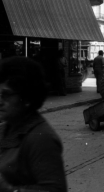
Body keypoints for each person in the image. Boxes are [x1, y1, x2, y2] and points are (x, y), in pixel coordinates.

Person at [0, 57, 67, 191]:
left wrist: (9, 189)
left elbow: (55, 189)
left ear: (27, 98)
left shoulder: (41, 138)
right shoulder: (6, 128)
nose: (0, 101)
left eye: (6, 95)